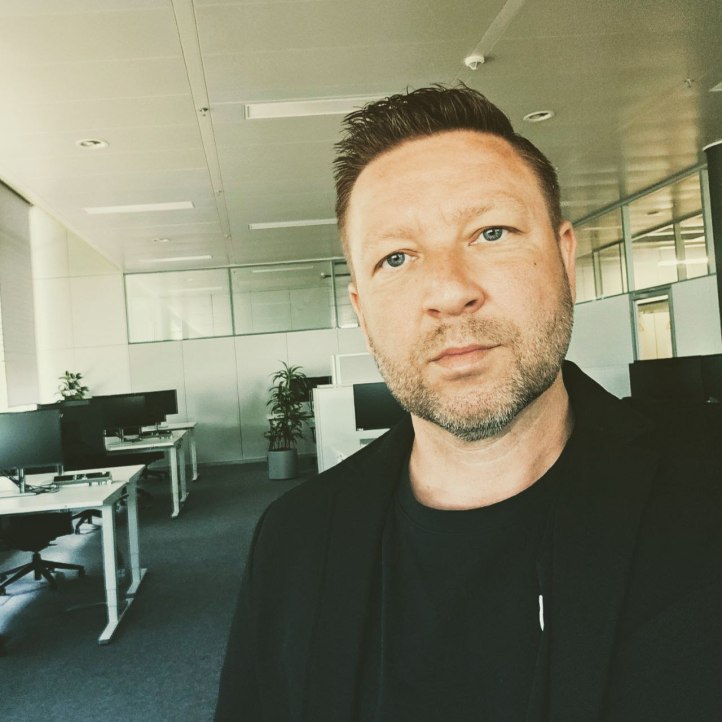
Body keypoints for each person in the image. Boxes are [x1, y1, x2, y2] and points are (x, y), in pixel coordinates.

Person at [215, 85, 722, 721]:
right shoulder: (294, 542)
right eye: (395, 258)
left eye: (491, 232)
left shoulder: (707, 480)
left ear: (565, 260)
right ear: (362, 312)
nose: (449, 292)